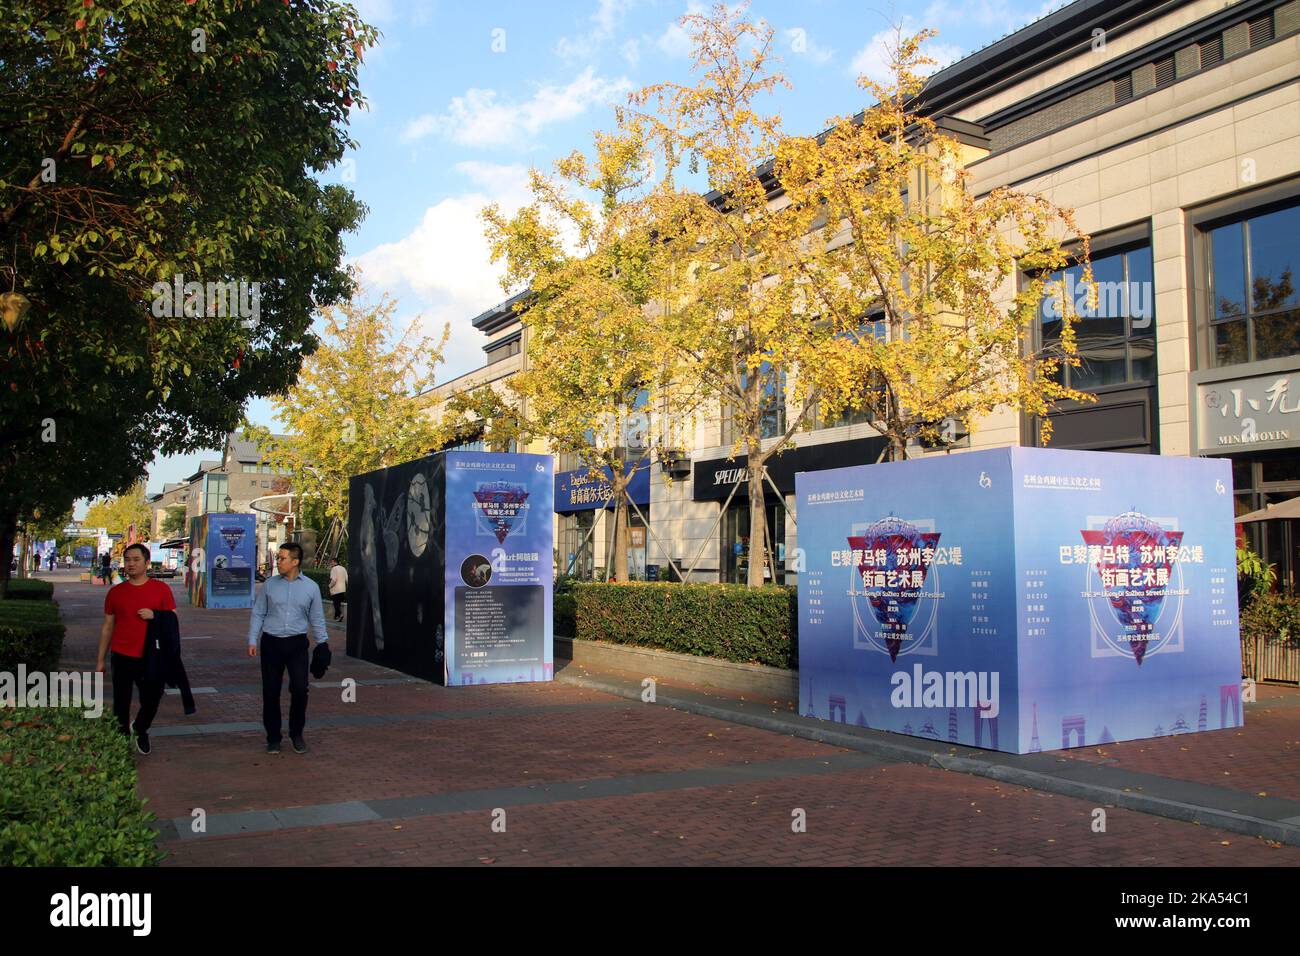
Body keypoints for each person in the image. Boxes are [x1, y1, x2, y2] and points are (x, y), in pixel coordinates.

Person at [247, 542, 328, 755]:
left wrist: (323, 644)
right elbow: (258, 612)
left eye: (282, 558)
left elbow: (317, 617)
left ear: (295, 561)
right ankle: (273, 737)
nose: (278, 562)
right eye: (278, 558)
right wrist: (252, 639)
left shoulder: (311, 587)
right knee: (270, 691)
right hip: (271, 643)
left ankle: (296, 733)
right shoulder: (270, 585)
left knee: (300, 689)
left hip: (297, 644)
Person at [96, 542, 176, 755]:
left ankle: (140, 728)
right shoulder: (116, 592)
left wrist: (155, 615)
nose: (130, 564)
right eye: (128, 560)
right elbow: (107, 627)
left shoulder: (161, 589)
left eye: (136, 560)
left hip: (151, 656)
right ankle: (121, 741)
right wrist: (100, 660)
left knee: (152, 697)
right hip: (122, 654)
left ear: (147, 563)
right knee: (121, 702)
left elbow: (173, 619)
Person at [327, 557, 348, 622]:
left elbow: (334, 580)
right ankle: (336, 617)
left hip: (335, 590)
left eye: (332, 562)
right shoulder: (343, 568)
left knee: (336, 604)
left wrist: (329, 586)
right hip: (342, 589)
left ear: (335, 562)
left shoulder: (334, 569)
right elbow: (347, 579)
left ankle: (340, 614)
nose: (331, 563)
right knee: (338, 603)